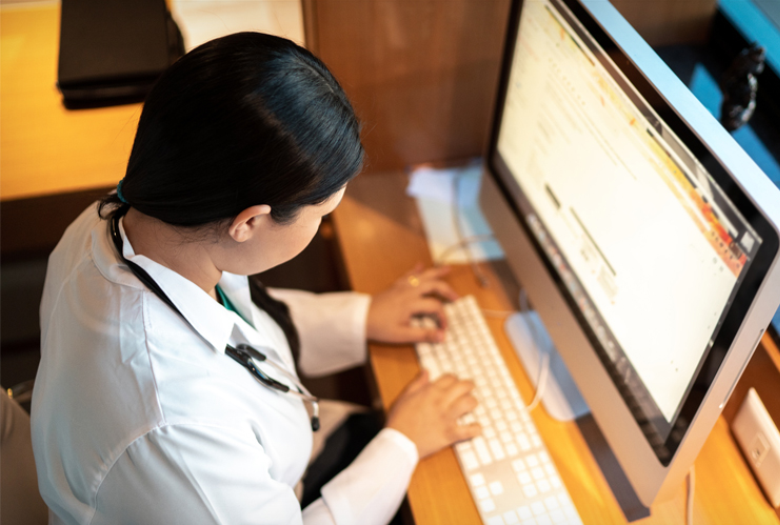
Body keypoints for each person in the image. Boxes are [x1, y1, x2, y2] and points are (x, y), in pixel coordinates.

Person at [31, 32, 481, 525]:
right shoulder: (176, 429)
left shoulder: (124, 221)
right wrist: (403, 444)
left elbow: (238, 324)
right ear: (248, 222)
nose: (324, 224)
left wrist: (362, 317)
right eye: (323, 214)